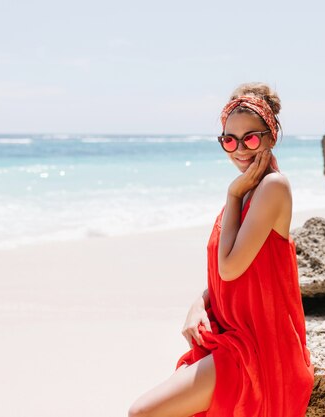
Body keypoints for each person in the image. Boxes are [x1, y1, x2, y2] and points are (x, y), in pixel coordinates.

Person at [128, 82, 315, 417]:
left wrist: (231, 194)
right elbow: (227, 274)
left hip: (259, 350)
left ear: (271, 137)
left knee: (142, 412)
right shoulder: (247, 191)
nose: (239, 149)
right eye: (229, 140)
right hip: (232, 337)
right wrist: (198, 304)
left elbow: (229, 267)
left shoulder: (271, 187)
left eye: (251, 138)